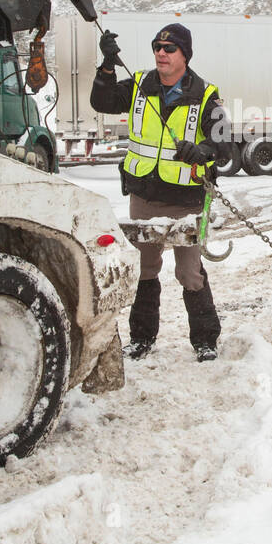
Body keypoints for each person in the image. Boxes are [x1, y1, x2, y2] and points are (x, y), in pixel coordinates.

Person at [91, 23, 231, 362]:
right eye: (157, 47)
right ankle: (141, 339)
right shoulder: (139, 85)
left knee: (189, 272)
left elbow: (224, 145)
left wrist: (203, 151)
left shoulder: (206, 95)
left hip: (186, 199)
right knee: (145, 269)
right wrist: (107, 65)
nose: (161, 53)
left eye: (169, 49)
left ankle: (205, 340)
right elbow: (102, 100)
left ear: (185, 55)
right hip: (145, 195)